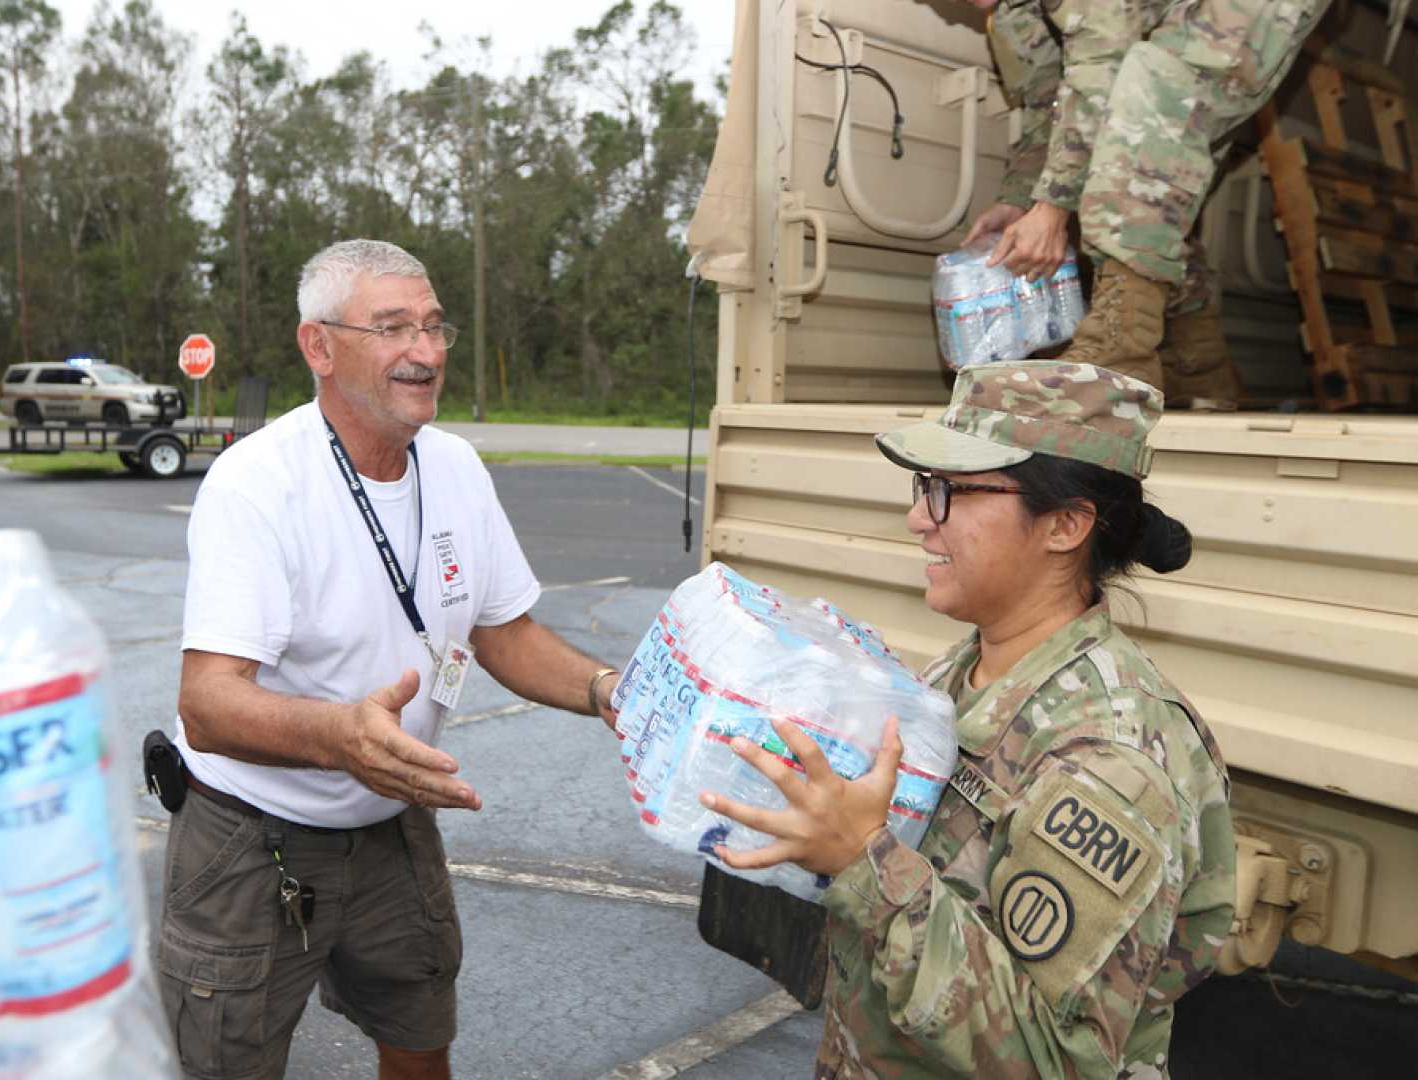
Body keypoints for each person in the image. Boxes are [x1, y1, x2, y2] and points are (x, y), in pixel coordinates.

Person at [157, 239, 622, 1080]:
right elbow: (209, 704)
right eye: (394, 327)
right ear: (320, 346)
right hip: (250, 836)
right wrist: (342, 736)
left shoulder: (456, 467)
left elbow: (504, 634)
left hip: (388, 821)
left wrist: (607, 690)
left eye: (436, 326)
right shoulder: (256, 484)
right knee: (227, 1062)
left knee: (418, 1030)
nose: (428, 351)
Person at [700, 360, 1236, 1077]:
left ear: (1066, 525)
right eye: (924, 487)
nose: (918, 517)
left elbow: (1054, 1056)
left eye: (952, 491)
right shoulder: (962, 672)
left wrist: (864, 862)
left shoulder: (1107, 756)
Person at [961, 0, 1333, 408]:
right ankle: (1200, 369)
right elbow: (1049, 108)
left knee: (1155, 95)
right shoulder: (1011, 15)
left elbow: (1101, 70)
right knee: (1130, 175)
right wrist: (1020, 198)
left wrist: (1051, 206)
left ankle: (1119, 352)